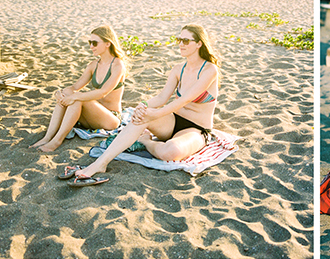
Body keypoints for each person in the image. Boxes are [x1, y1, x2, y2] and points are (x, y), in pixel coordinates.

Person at [61, 24, 219, 186]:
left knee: (170, 152)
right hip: (172, 121)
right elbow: (161, 97)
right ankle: (100, 163)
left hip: (197, 128)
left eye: (186, 40)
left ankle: (146, 141)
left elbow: (184, 99)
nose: (181, 44)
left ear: (199, 43)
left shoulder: (209, 70)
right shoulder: (179, 69)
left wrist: (155, 114)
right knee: (143, 115)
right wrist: (143, 105)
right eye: (179, 39)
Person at [31, 25, 126, 152]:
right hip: (92, 117)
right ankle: (47, 137)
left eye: (94, 43)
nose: (91, 47)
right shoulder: (93, 65)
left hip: (110, 119)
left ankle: (56, 141)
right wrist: (59, 93)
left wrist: (75, 96)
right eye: (90, 43)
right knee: (68, 93)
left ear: (108, 43)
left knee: (77, 98)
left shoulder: (118, 65)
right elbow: (74, 87)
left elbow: (103, 92)